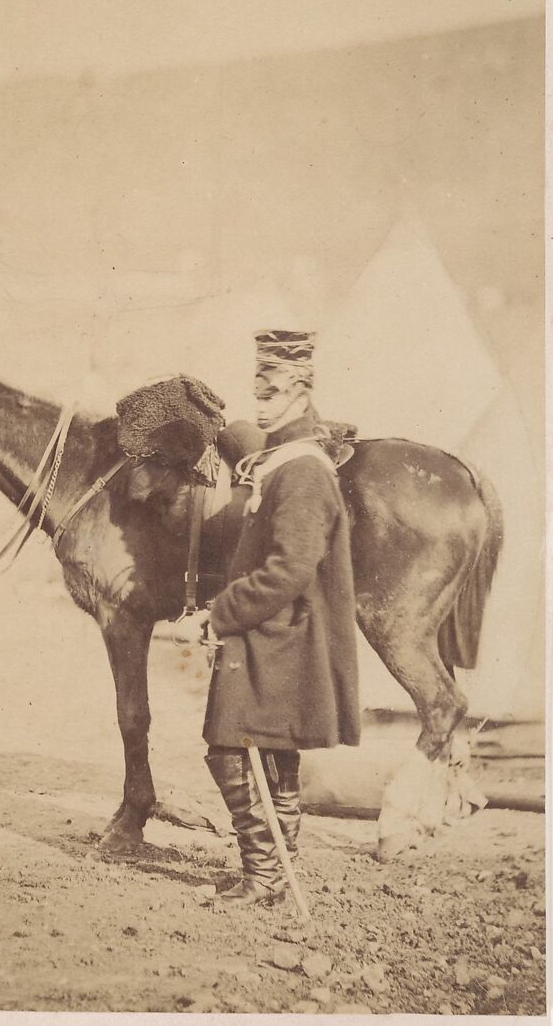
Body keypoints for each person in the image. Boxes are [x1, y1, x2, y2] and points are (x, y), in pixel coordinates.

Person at [190, 329, 360, 906]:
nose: (261, 402)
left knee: (229, 747)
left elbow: (290, 568)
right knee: (271, 749)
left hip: (280, 632)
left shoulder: (304, 469)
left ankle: (264, 874)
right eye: (257, 391)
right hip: (274, 628)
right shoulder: (280, 459)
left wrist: (222, 613)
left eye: (275, 391)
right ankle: (277, 872)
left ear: (303, 390)